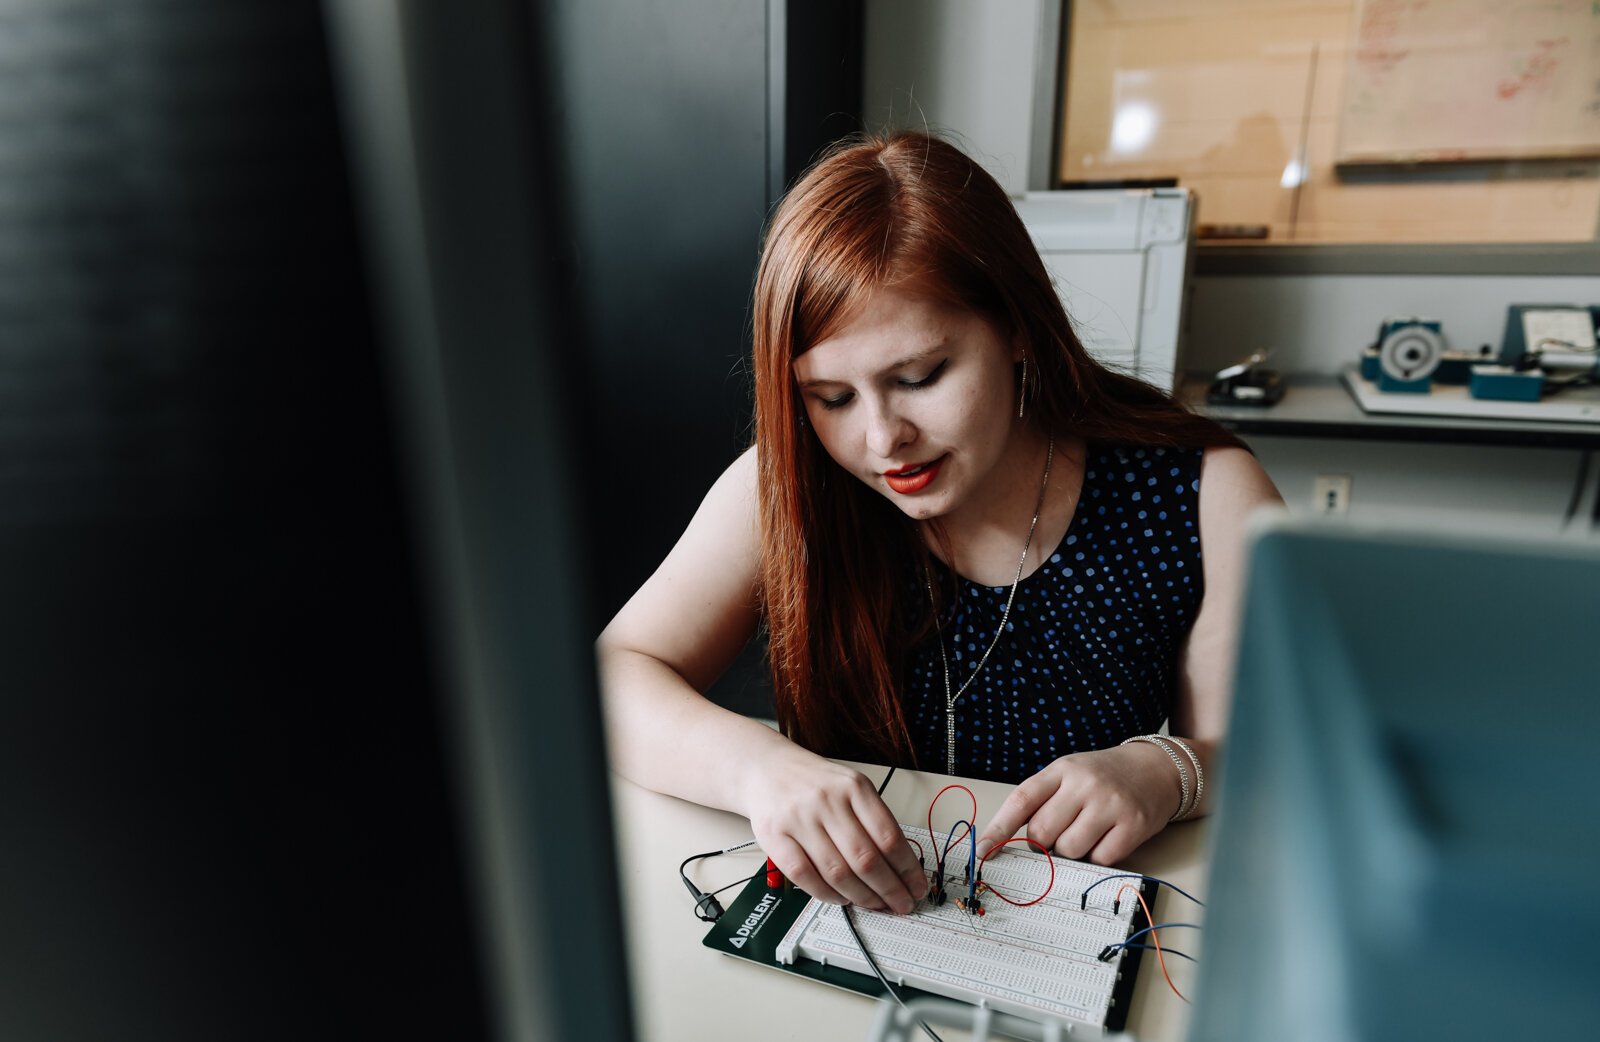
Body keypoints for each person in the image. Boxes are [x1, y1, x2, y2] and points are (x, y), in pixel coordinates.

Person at [596, 131, 1282, 917]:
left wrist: (1167, 769)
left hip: (1063, 928)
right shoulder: (787, 484)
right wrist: (760, 770)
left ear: (1019, 328)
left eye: (919, 377)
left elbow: (1269, 759)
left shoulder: (1201, 493)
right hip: (856, 924)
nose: (883, 438)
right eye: (832, 398)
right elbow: (616, 673)